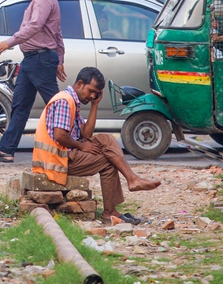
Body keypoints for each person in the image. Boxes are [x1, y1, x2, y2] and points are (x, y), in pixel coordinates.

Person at [33, 67, 161, 223]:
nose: (92, 95)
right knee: (109, 161)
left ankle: (129, 184)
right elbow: (60, 135)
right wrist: (81, 147)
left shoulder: (72, 101)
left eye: (96, 93)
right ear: (80, 84)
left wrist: (95, 105)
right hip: (56, 163)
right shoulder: (64, 101)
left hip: (63, 157)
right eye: (91, 91)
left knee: (106, 139)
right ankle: (115, 204)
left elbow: (86, 134)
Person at [0, 0, 64, 163]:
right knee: (19, 106)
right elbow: (57, 33)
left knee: (57, 105)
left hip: (40, 59)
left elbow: (34, 27)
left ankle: (80, 142)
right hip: (33, 60)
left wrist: (8, 42)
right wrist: (59, 59)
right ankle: (6, 150)